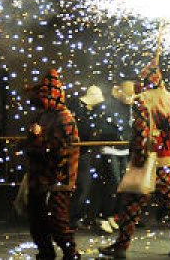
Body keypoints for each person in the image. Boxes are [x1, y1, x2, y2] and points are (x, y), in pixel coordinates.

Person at [99, 62, 170, 258]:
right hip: (168, 158)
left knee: (133, 204)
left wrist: (138, 158)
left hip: (149, 159)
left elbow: (141, 132)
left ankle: (122, 246)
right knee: (169, 203)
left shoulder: (142, 100)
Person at [24, 68, 82, 260]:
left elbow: (61, 151)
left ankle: (70, 253)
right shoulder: (42, 116)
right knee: (37, 219)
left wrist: (38, 139)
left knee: (58, 220)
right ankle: (46, 252)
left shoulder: (65, 119)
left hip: (59, 177)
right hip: (40, 176)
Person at [71, 85, 121, 230]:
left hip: (86, 151)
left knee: (86, 186)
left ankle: (78, 217)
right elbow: (85, 129)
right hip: (80, 151)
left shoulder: (87, 111)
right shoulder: (80, 111)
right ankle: (73, 217)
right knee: (82, 186)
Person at [97, 81, 134, 235]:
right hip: (110, 148)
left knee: (122, 184)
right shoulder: (108, 105)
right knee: (114, 182)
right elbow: (104, 127)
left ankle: (112, 214)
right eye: (128, 95)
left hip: (123, 149)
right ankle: (104, 216)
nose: (130, 98)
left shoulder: (130, 108)